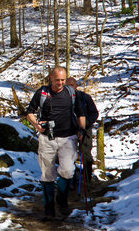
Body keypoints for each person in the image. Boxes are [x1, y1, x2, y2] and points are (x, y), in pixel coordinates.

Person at [25, 67, 86, 218]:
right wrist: (37, 125)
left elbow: (81, 114)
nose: (60, 83)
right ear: (51, 78)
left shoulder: (71, 93)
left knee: (67, 171)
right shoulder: (42, 93)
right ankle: (49, 208)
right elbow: (29, 113)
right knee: (47, 174)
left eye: (63, 80)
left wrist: (82, 130)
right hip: (47, 138)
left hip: (68, 138)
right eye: (57, 80)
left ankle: (62, 200)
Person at [65, 77, 98, 196]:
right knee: (69, 156)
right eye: (68, 85)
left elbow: (94, 113)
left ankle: (87, 180)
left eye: (73, 85)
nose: (71, 87)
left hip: (86, 130)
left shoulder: (85, 97)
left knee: (86, 155)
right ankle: (71, 181)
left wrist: (85, 125)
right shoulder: (61, 99)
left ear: (76, 86)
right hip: (69, 131)